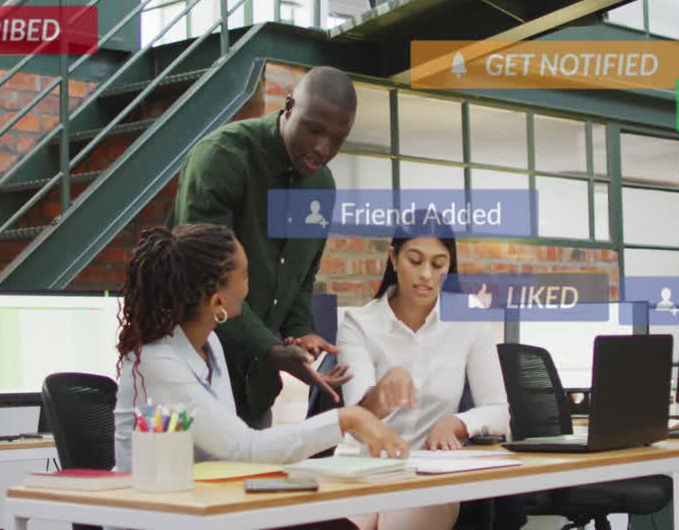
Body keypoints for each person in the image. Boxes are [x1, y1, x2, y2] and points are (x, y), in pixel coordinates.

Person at [112, 223, 409, 476]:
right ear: (217, 303)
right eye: (244, 276)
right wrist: (349, 418)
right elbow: (244, 448)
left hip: (206, 506)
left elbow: (230, 453)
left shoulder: (210, 344)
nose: (248, 288)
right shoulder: (157, 361)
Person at [170, 66, 357, 427]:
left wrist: (301, 332)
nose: (323, 149)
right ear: (289, 107)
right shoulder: (222, 158)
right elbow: (205, 281)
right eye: (314, 129)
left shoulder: (321, 186)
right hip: (193, 382)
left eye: (338, 139)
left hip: (256, 394)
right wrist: (270, 349)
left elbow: (300, 279)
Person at [335, 227, 511, 530]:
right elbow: (355, 421)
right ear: (393, 258)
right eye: (415, 261)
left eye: (438, 264)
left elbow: (498, 411)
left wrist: (454, 424)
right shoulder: (358, 323)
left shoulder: (469, 321)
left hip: (429, 473)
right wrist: (383, 392)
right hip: (359, 467)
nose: (426, 274)